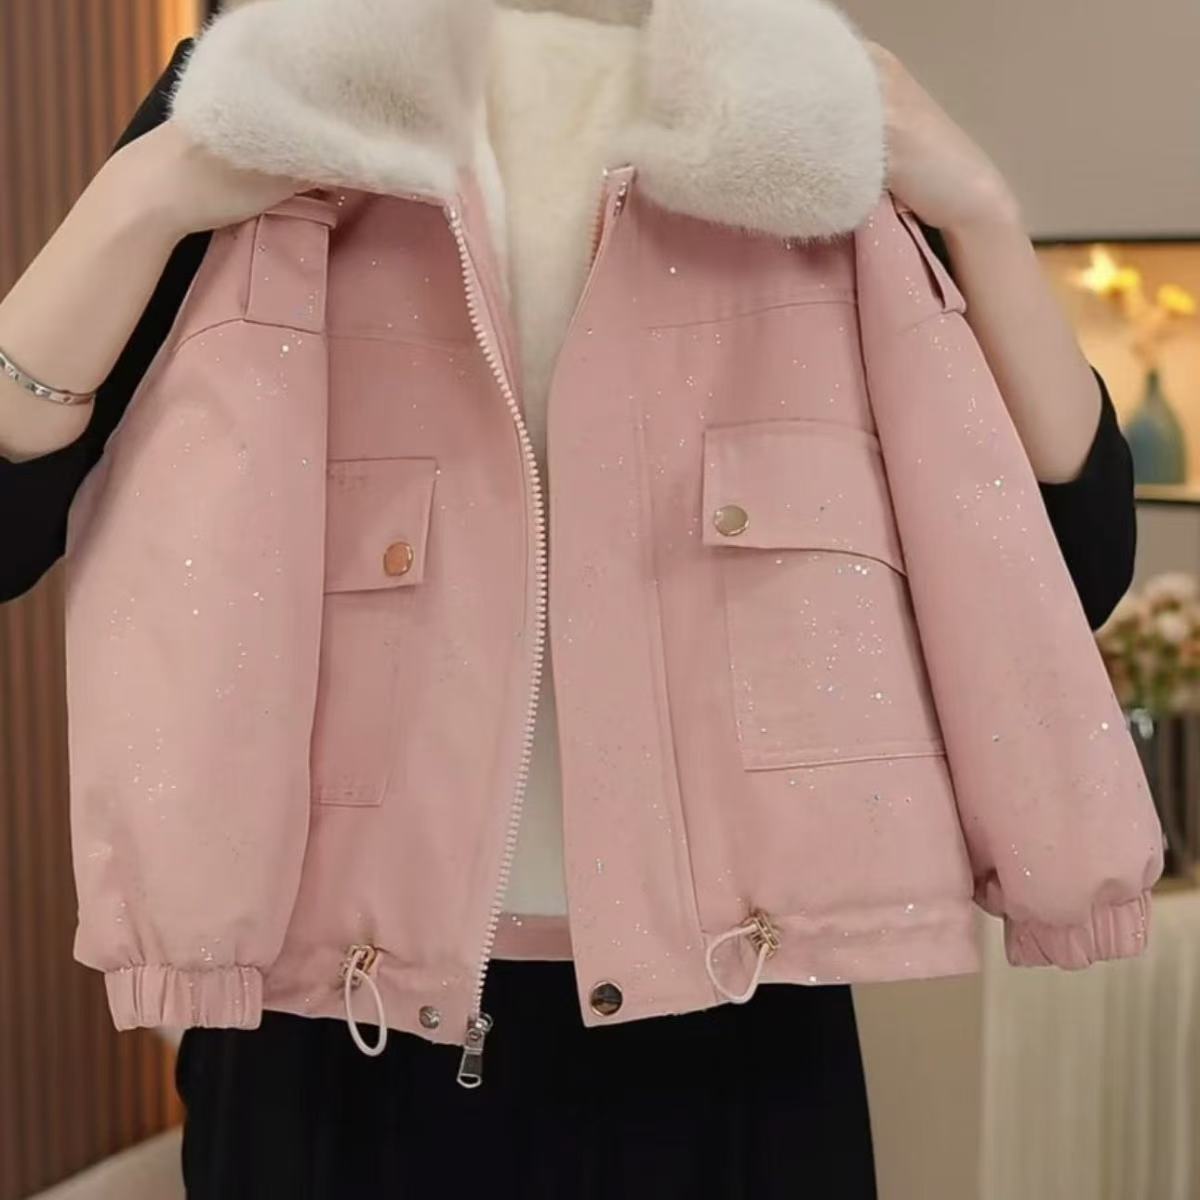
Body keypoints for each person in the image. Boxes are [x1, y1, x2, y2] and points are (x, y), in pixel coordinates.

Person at [0, 6, 1144, 1198]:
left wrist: (979, 210)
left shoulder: (794, 108)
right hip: (331, 1028)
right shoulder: (285, 83)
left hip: (737, 1016)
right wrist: (147, 193)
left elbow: (1076, 559)